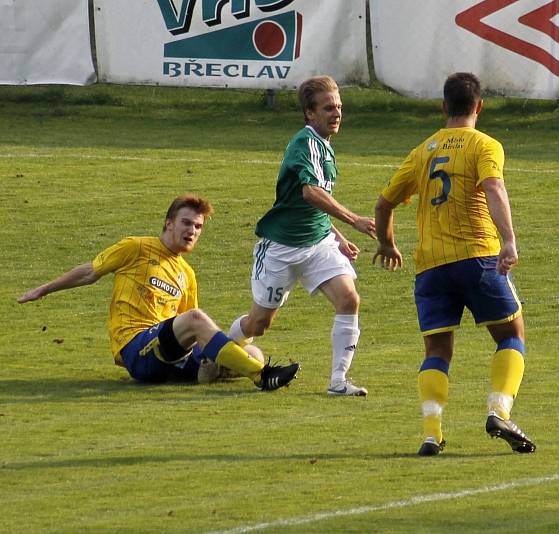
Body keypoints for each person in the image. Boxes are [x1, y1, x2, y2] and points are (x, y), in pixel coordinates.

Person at [373, 72, 535, 456]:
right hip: (478, 258)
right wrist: (508, 241)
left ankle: (432, 433)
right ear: (479, 106)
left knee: (437, 352)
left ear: (444, 106)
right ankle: (499, 411)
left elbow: (383, 204)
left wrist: (387, 243)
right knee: (512, 335)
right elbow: (493, 187)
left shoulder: (423, 151)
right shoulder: (485, 145)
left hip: (430, 268)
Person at [17, 194, 299, 390]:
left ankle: (215, 370)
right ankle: (262, 377)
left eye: (198, 227)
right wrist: (45, 288)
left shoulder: (186, 274)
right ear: (169, 223)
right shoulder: (136, 247)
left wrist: (207, 352)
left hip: (169, 357)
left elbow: (188, 330)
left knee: (253, 351)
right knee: (199, 321)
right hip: (137, 349)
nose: (192, 231)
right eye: (186, 223)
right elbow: (90, 271)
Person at [228, 75, 376, 396]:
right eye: (328, 108)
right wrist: (353, 220)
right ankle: (222, 351)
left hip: (318, 243)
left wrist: (335, 236)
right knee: (258, 325)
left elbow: (310, 202)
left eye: (339, 107)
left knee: (349, 299)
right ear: (309, 113)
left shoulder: (324, 145)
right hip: (282, 247)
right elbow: (310, 193)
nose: (336, 113)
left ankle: (338, 381)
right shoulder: (306, 143)